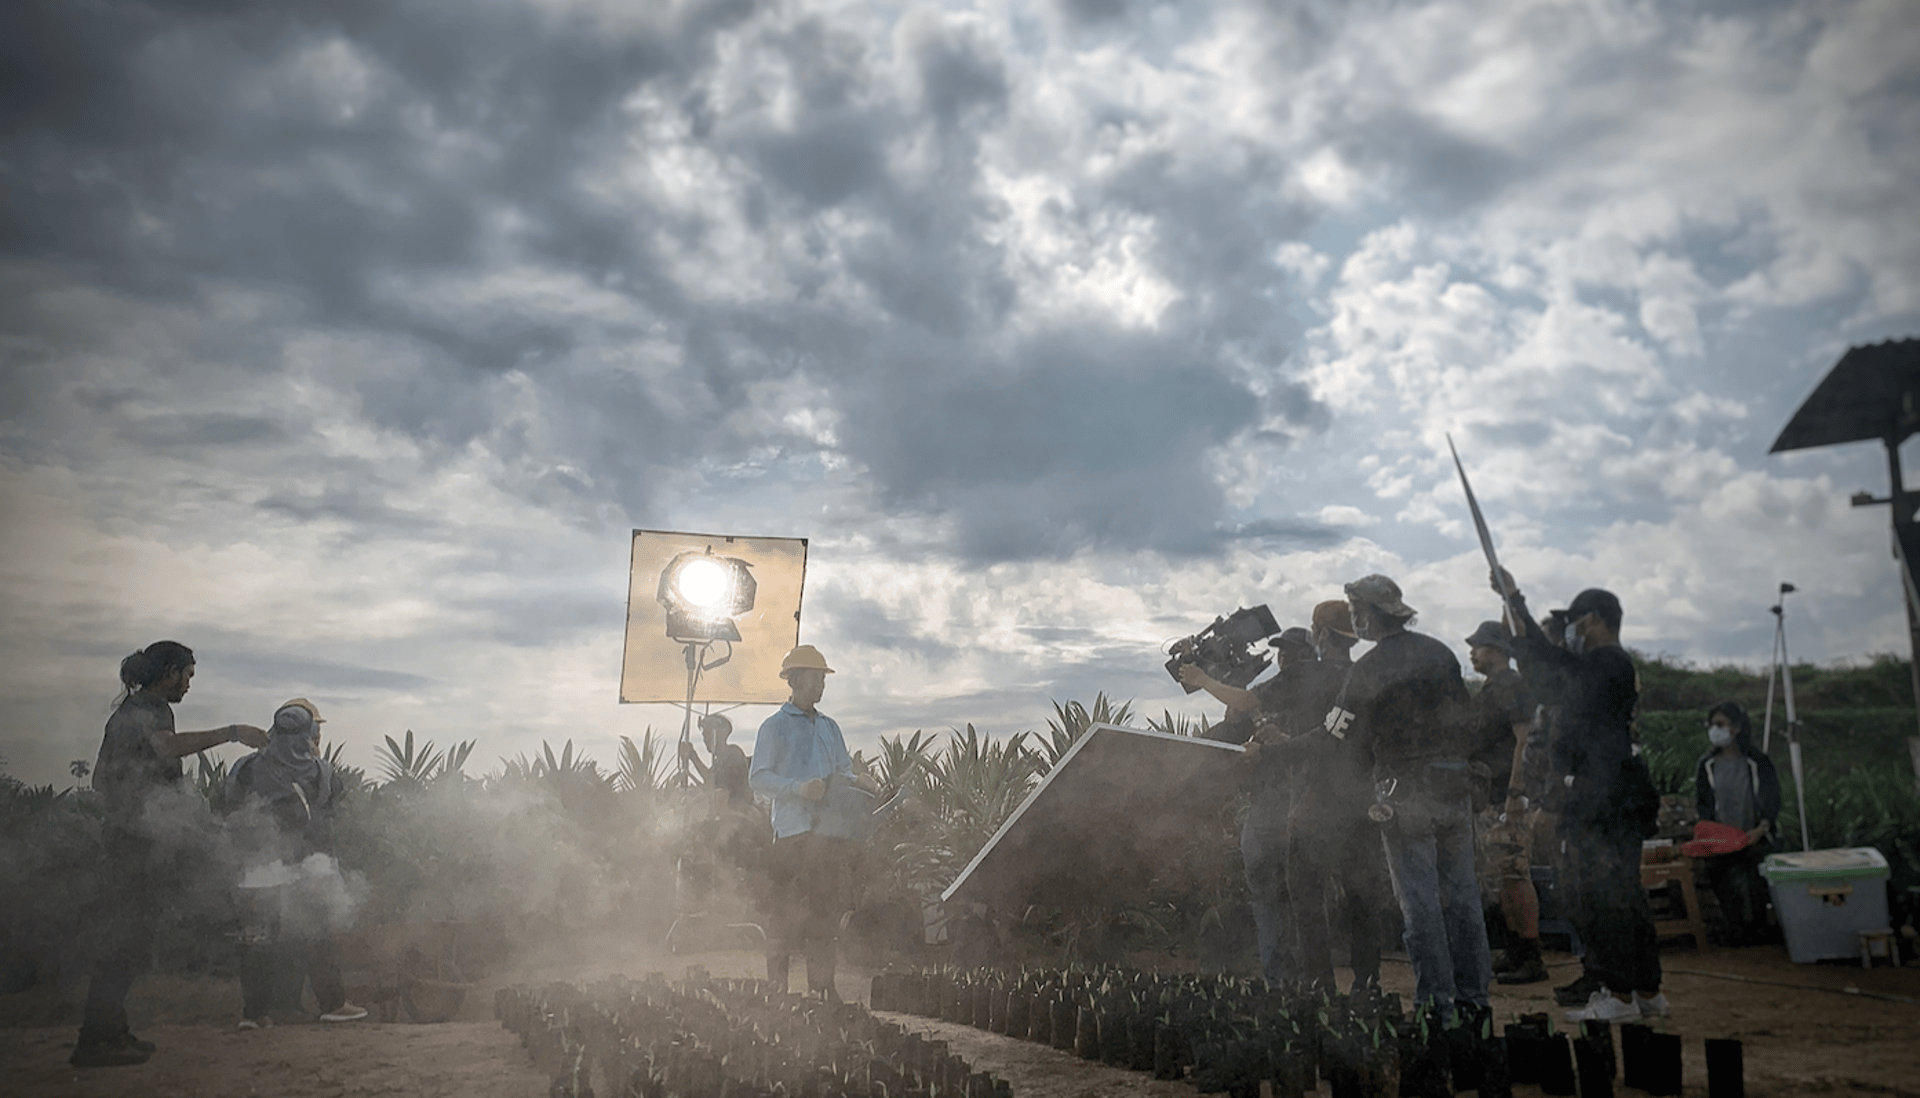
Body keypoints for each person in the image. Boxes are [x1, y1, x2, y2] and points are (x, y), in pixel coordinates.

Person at [74, 641, 269, 1068]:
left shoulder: (128, 712)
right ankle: (96, 1039)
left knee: (129, 938)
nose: (188, 685)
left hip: (129, 839)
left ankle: (110, 1031)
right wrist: (233, 732)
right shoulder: (152, 708)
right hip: (134, 845)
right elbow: (165, 748)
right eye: (187, 676)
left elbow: (102, 780)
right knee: (125, 939)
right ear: (169, 672)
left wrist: (149, 808)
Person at [1497, 575, 1665, 1022]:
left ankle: (1619, 993)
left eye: (1573, 621)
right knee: (1624, 894)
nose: (1569, 631)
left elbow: (1553, 674)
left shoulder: (1607, 664)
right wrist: (1514, 604)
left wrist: (1516, 603)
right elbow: (1553, 671)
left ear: (1591, 621)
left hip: (1602, 799)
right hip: (1615, 796)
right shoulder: (1610, 667)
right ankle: (1646, 991)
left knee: (1602, 896)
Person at [1325, 576, 1489, 1020]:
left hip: (1405, 794)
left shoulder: (1368, 668)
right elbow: (1466, 720)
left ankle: (1435, 1007)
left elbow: (1339, 737)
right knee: (1464, 900)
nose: (1353, 619)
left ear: (1369, 614)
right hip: (1454, 789)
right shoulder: (1440, 653)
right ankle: (1475, 1004)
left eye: (1354, 610)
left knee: (1421, 908)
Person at [1183, 626, 1323, 983]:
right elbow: (1230, 731)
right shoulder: (1267, 696)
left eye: (1292, 651)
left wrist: (1203, 680)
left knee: (1300, 895)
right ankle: (1279, 981)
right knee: (1267, 895)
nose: (1285, 658)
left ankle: (1307, 982)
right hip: (1266, 808)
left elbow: (1323, 747)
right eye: (1282, 651)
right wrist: (1187, 750)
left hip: (1304, 806)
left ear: (1308, 655)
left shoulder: (1317, 694)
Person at [224, 699, 367, 1028]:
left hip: (256, 870)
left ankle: (255, 1015)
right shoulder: (320, 771)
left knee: (258, 940)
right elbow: (325, 819)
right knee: (316, 934)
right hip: (305, 869)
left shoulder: (245, 767)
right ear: (309, 732)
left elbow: (229, 808)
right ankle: (333, 1004)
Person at [749, 645, 876, 999]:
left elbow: (842, 771)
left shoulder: (830, 728)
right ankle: (777, 992)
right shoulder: (773, 727)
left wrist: (858, 779)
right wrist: (799, 788)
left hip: (826, 836)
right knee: (783, 918)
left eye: (823, 679)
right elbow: (758, 778)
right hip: (791, 834)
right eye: (816, 678)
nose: (821, 685)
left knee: (823, 917)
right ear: (795, 680)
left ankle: (822, 990)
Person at [1283, 600, 1395, 993]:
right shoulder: (1365, 678)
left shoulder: (1313, 678)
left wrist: (1306, 799)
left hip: (1320, 805)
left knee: (1306, 893)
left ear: (1322, 635)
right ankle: (1368, 984)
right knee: (1363, 895)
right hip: (1364, 802)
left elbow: (1326, 745)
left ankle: (1319, 984)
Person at [1464, 620, 1549, 985]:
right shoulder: (1492, 688)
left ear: (1498, 650)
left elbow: (1524, 740)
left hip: (1507, 797)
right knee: (1502, 875)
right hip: (1491, 795)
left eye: (1479, 646)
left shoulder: (1512, 686)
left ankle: (1530, 954)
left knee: (1515, 873)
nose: (1472, 652)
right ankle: (1516, 948)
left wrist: (1516, 791)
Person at [1692, 701, 1781, 946]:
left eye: (1720, 724)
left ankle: (1761, 930)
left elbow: (1773, 800)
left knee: (1756, 884)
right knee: (1722, 881)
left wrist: (1761, 829)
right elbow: (1703, 804)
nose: (1715, 730)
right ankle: (1735, 931)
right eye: (1711, 725)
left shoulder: (1758, 762)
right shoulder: (1707, 765)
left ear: (1737, 728)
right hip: (1721, 839)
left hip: (1755, 836)